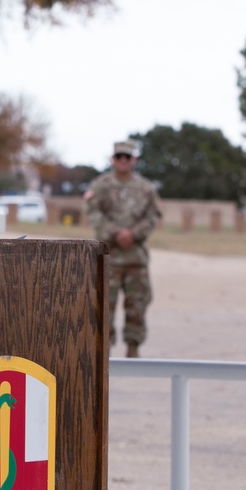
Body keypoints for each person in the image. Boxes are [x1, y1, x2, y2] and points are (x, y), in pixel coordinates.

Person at [84, 139, 162, 358]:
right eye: (119, 156)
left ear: (134, 160)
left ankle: (133, 351)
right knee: (103, 307)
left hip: (135, 259)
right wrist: (115, 233)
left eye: (127, 157)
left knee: (137, 307)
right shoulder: (100, 185)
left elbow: (153, 215)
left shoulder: (146, 188)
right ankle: (104, 356)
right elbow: (93, 213)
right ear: (113, 159)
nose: (123, 160)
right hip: (109, 257)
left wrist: (134, 234)